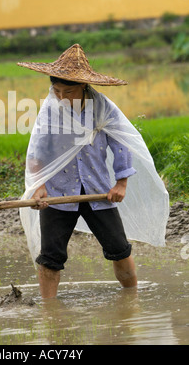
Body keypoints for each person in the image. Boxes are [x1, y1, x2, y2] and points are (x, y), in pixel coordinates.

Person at [17, 44, 169, 299]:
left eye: (69, 91)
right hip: (57, 193)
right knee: (50, 257)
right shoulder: (50, 110)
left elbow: (121, 143)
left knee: (119, 249)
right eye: (57, 91)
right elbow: (36, 151)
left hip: (98, 191)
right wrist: (38, 186)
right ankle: (49, 312)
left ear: (84, 87)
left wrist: (121, 183)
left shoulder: (103, 108)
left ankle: (131, 301)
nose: (62, 96)